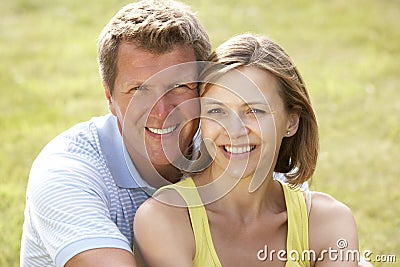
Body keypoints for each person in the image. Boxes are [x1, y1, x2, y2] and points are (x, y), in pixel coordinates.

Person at [133, 33, 362, 266]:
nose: (234, 130)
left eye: (254, 111)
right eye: (216, 111)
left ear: (291, 122)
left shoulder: (327, 221)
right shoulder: (165, 218)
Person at [19, 0, 211, 266]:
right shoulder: (66, 172)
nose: (161, 110)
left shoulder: (228, 149)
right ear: (109, 97)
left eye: (179, 85)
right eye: (139, 90)